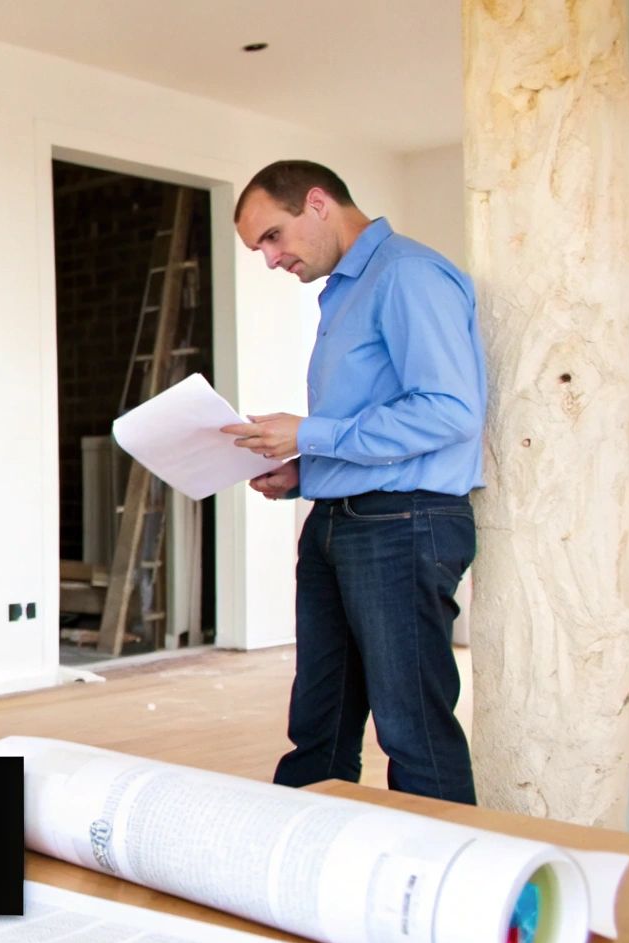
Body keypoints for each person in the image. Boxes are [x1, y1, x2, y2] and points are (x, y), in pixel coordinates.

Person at [222, 159, 484, 805]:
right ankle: (296, 865)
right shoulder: (345, 292)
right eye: (259, 248)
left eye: (273, 236)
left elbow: (449, 411)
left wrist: (310, 435)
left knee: (412, 729)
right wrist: (303, 470)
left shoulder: (408, 274)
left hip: (405, 523)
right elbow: (374, 419)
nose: (271, 259)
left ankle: (447, 888)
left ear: (317, 203)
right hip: (341, 519)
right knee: (319, 721)